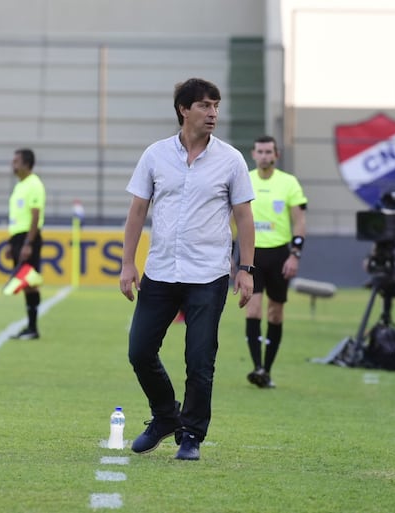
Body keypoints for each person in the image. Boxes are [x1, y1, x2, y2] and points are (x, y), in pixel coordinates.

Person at [120, 78, 255, 461]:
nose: (213, 113)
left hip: (208, 276)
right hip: (160, 272)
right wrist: (128, 264)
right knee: (140, 351)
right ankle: (165, 416)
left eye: (216, 106)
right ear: (184, 109)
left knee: (199, 361)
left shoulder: (231, 159)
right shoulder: (155, 155)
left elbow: (244, 218)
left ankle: (192, 435)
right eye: (205, 106)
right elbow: (137, 212)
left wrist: (245, 269)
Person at [243, 135, 307, 389]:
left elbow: (300, 221)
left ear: (276, 155)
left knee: (275, 312)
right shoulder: (245, 179)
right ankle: (257, 366)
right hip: (253, 253)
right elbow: (232, 215)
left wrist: (295, 254)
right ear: (253, 154)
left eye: (269, 151)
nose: (265, 156)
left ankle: (266, 369)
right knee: (253, 309)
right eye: (260, 151)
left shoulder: (289, 183)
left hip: (280, 254)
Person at [5, 148, 46, 340]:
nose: (13, 166)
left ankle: (32, 327)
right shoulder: (20, 186)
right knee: (26, 281)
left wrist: (28, 243)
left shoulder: (34, 184)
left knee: (29, 282)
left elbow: (35, 216)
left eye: (16, 162)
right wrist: (10, 242)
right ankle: (30, 327)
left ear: (26, 164)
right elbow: (18, 217)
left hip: (28, 238)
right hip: (18, 238)